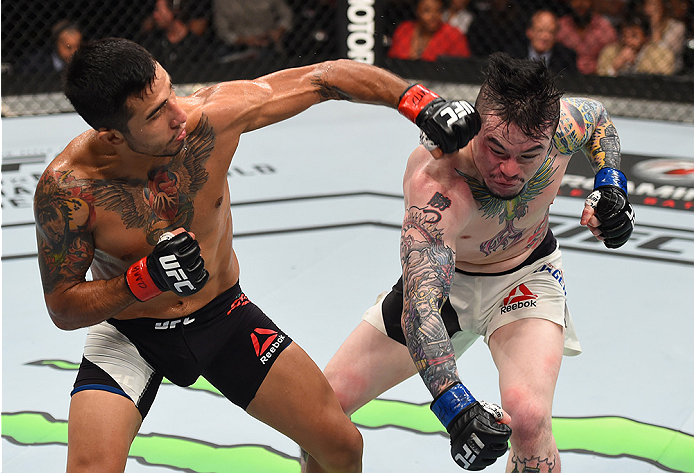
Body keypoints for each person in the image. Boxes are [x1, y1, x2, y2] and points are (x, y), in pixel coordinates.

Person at [33, 37, 480, 473]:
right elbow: (64, 307)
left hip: (223, 317)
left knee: (342, 447)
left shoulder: (209, 119)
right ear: (112, 136)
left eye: (171, 92)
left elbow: (321, 78)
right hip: (132, 335)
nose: (178, 114)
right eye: (155, 114)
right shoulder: (70, 190)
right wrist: (144, 280)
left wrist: (421, 102)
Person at [320, 53, 635, 472]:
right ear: (476, 126)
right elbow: (421, 307)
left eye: (528, 155)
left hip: (526, 275)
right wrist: (453, 404)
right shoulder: (437, 180)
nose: (508, 169)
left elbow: (597, 119)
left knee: (528, 418)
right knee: (324, 409)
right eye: (496, 148)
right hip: (442, 288)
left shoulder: (564, 125)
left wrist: (612, 186)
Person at [137, 0, 210, 83]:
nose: (155, 15)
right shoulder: (154, 43)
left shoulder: (196, 45)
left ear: (173, 11)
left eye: (158, 10)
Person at [212, 0, 293, 63]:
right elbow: (223, 31)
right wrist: (244, 40)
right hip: (238, 45)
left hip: (267, 41)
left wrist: (278, 31)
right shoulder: (222, 2)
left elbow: (286, 15)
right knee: (220, 54)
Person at [388, 0, 471, 61]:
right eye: (427, 10)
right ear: (417, 11)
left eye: (438, 11)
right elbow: (392, 58)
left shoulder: (453, 35)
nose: (433, 16)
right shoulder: (404, 29)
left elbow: (462, 67)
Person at [597, 13, 675, 75]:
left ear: (646, 37)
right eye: (624, 36)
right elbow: (599, 79)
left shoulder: (661, 54)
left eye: (634, 36)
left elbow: (663, 79)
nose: (628, 41)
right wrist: (615, 67)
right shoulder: (609, 52)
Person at [557, 0, 618, 74]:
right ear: (570, 2)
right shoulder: (561, 26)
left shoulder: (605, 28)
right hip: (565, 76)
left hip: (598, 77)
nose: (580, 3)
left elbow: (613, 54)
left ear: (593, 2)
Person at [519, 9, 578, 74]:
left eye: (551, 32)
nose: (545, 37)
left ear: (556, 36)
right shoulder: (514, 54)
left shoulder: (567, 58)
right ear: (529, 32)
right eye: (540, 30)